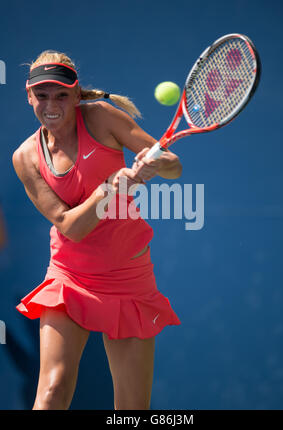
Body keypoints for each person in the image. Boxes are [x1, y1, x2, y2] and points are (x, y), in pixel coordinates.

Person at [12, 50, 182, 410]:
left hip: (128, 277)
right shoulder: (26, 157)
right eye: (41, 95)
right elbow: (71, 227)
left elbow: (173, 166)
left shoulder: (102, 117)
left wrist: (157, 162)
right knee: (52, 391)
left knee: (132, 409)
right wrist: (111, 188)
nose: (51, 104)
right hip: (69, 276)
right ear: (29, 96)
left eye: (61, 94)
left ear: (76, 95)